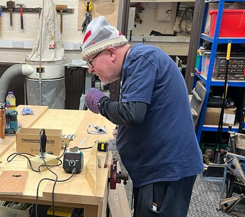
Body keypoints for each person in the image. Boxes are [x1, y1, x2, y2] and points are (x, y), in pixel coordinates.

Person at [82, 16, 204, 217]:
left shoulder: (141, 59)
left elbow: (132, 114)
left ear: (111, 52)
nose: (90, 69)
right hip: (155, 170)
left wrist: (100, 103)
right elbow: (146, 111)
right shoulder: (135, 63)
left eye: (91, 61)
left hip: (165, 171)